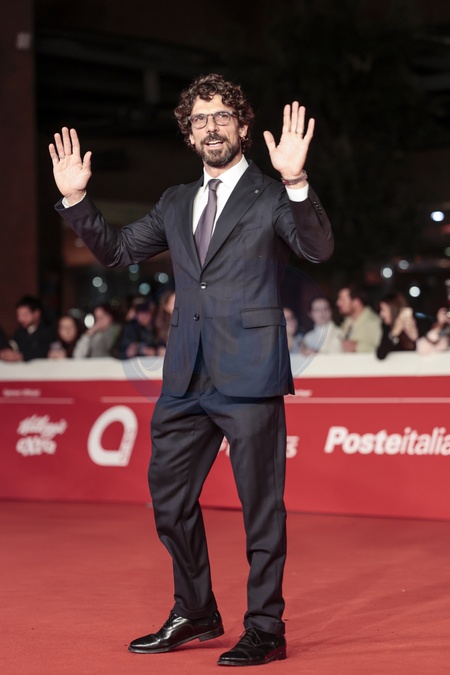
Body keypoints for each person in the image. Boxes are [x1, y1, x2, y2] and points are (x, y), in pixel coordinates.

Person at [49, 73, 333, 667]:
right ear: (188, 133)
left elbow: (317, 249)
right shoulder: (175, 201)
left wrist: (296, 181)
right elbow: (118, 250)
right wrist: (76, 201)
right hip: (184, 375)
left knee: (261, 508)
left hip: (249, 370)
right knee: (169, 499)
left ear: (243, 127)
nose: (211, 127)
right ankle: (197, 609)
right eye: (200, 119)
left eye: (222, 115)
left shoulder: (271, 194)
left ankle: (266, 627)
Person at [376, 292, 433, 360]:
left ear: (393, 309)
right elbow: (380, 355)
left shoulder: (421, 323)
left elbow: (428, 349)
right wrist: (394, 333)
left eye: (383, 310)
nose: (381, 314)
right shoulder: (386, 327)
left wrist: (413, 333)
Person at [0, 295, 55, 362]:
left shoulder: (49, 330)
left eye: (25, 314)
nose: (20, 319)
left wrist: (21, 356)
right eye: (18, 315)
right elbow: (13, 344)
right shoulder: (21, 331)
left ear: (36, 313)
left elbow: (45, 351)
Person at [336, 284, 382, 353]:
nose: (338, 303)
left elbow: (384, 351)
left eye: (342, 300)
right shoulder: (347, 322)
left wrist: (357, 347)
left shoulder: (374, 323)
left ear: (356, 302)